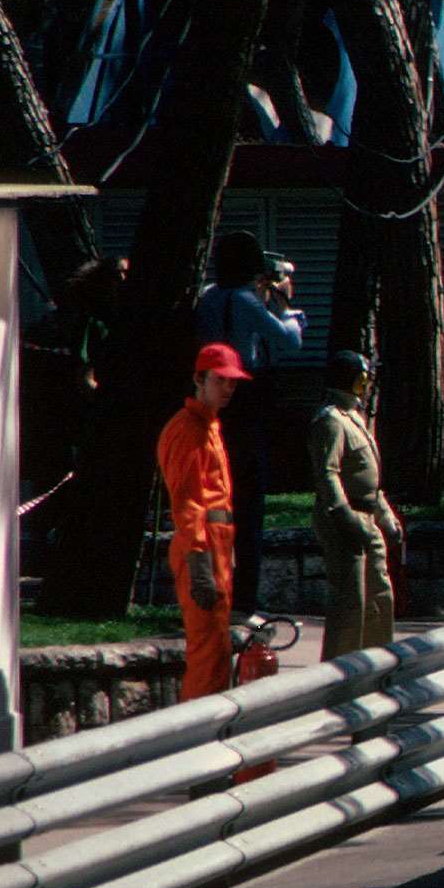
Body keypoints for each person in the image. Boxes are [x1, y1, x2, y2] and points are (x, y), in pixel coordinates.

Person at [193, 230, 304, 616]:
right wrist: (286, 304)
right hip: (245, 399)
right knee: (249, 502)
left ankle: (216, 589)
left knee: (217, 498)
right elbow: (289, 340)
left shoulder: (209, 297)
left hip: (211, 398)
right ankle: (243, 598)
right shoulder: (245, 300)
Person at [157, 343, 250, 700]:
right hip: (203, 551)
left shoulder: (208, 425)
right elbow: (188, 502)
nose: (229, 388)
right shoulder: (188, 430)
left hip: (216, 551)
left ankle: (204, 737)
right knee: (208, 654)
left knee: (216, 651)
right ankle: (194, 742)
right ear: (200, 379)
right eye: (221, 380)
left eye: (233, 382)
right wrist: (199, 563)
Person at [307, 350, 402, 658]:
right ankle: (339, 675)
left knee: (379, 595)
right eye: (365, 376)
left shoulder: (354, 417)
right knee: (351, 603)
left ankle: (376, 665)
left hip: (367, 515)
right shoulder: (331, 420)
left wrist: (385, 515)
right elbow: (328, 472)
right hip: (346, 519)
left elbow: (370, 479)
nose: (369, 382)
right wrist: (343, 514)